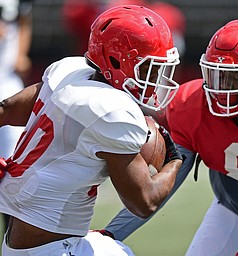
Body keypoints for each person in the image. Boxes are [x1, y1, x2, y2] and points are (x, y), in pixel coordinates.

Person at [102, 19, 238, 256]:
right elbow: (161, 188)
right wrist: (110, 234)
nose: (221, 89)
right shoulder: (191, 107)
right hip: (229, 212)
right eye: (217, 75)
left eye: (236, 78)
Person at [0, 5, 183, 256]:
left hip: (18, 243)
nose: (155, 78)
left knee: (114, 248)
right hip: (52, 250)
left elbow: (7, 109)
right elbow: (144, 203)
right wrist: (175, 160)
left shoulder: (69, 73)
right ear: (117, 60)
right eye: (148, 68)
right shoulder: (113, 111)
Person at [0, 0, 33, 236]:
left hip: (6, 82)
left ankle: (11, 238)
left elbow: (23, 18)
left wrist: (21, 53)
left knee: (13, 165)